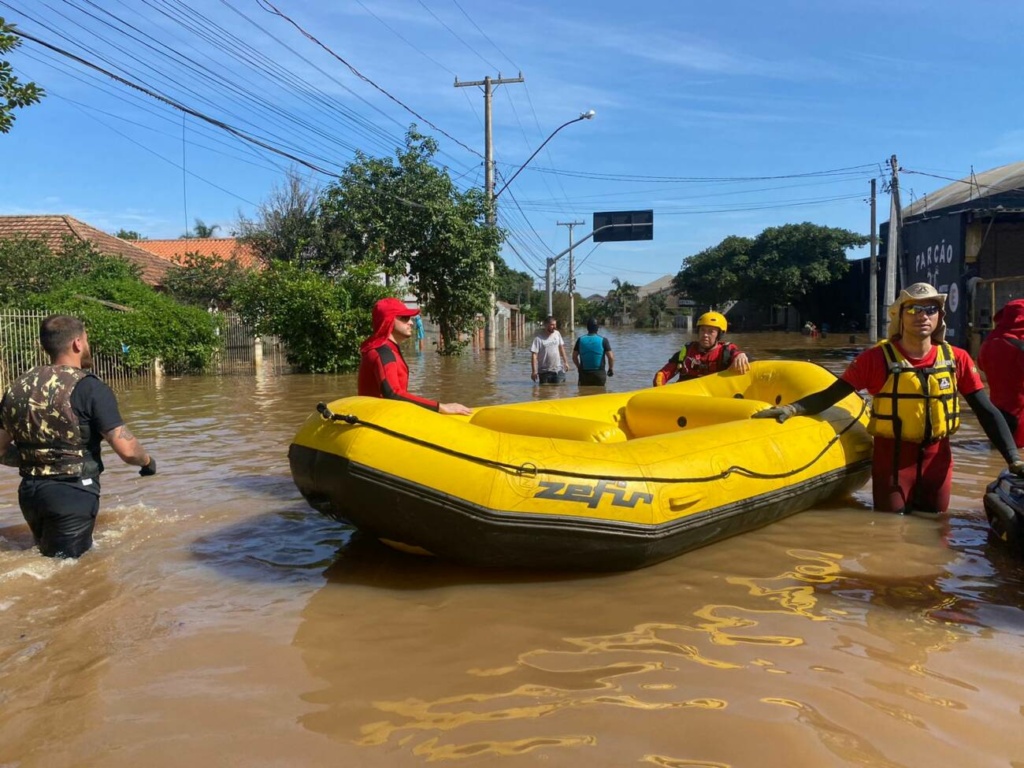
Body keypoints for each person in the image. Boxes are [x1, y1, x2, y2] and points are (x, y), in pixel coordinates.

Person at [752, 283, 1024, 515]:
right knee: (891, 529)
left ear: (940, 317)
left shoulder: (957, 359)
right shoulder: (875, 359)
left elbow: (985, 410)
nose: (923, 316)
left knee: (936, 530)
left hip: (938, 460)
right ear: (900, 316)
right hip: (893, 461)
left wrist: (1013, 458)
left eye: (931, 309)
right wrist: (792, 408)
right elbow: (831, 395)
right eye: (914, 309)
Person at [0, 315, 157, 558]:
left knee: (47, 560)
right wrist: (147, 462)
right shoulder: (89, 387)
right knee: (69, 574)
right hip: (72, 493)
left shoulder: (19, 387)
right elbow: (127, 450)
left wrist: (38, 459)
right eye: (86, 340)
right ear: (77, 343)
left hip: (30, 494)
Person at [358, 297, 471, 415]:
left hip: (385, 416)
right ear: (389, 321)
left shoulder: (387, 349)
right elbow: (393, 394)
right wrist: (441, 407)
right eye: (405, 318)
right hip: (379, 421)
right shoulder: (383, 353)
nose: (411, 322)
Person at [652, 311, 750, 385]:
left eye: (711, 331)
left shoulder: (726, 351)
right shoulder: (686, 351)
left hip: (712, 397)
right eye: (702, 330)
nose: (705, 335)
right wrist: (659, 385)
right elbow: (663, 374)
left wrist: (741, 355)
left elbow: (739, 355)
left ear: (719, 335)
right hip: (687, 396)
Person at [978, 298, 1024, 448]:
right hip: (1019, 417)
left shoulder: (988, 342)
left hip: (997, 415)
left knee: (1001, 450)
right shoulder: (1019, 346)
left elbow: (981, 367)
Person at [572, 318, 615, 386]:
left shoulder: (580, 340)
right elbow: (611, 357)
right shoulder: (603, 340)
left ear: (587, 327)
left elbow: (574, 357)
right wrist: (610, 369)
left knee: (583, 394)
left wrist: (579, 367)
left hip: (584, 374)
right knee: (600, 394)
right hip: (599, 375)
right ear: (597, 328)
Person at [530, 315, 572, 384]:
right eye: (552, 325)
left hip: (558, 370)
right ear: (546, 325)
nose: (554, 327)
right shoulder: (538, 339)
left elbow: (561, 348)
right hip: (544, 372)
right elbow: (534, 356)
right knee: (545, 392)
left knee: (560, 390)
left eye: (555, 324)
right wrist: (534, 371)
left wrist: (566, 362)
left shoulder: (557, 334)